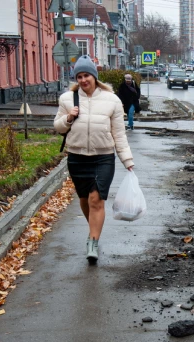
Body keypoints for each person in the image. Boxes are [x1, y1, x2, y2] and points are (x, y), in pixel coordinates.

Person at [54, 55, 135, 264]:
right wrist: (69, 117)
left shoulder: (112, 100)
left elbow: (119, 134)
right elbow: (58, 127)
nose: (83, 80)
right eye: (79, 76)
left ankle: (93, 242)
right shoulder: (66, 99)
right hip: (77, 157)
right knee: (84, 199)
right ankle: (93, 232)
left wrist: (127, 160)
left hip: (103, 157)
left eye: (86, 75)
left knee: (96, 199)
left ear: (94, 77)